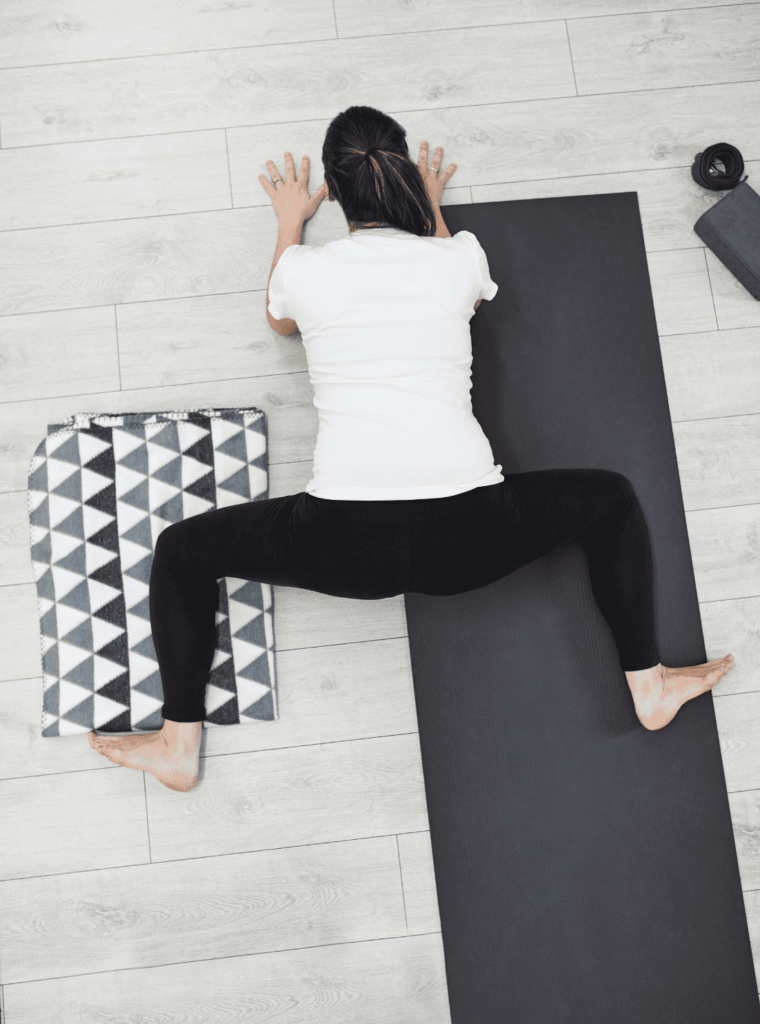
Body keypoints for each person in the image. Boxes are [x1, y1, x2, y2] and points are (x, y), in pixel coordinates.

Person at [88, 105, 734, 792]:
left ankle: (178, 745)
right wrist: (432, 210)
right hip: (473, 538)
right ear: (403, 175)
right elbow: (472, 295)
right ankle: (649, 685)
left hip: (343, 545)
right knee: (611, 497)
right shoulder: (458, 256)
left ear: (332, 193)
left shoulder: (305, 269)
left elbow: (279, 323)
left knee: (182, 552)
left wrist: (288, 221)